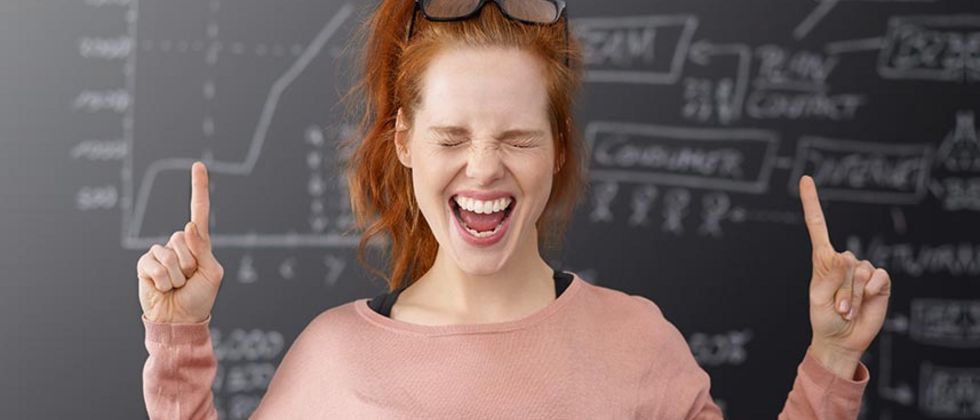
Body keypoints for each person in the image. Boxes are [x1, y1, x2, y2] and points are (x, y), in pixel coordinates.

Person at [137, 0, 893, 418]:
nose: (484, 169)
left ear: (558, 148)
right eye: (452, 136)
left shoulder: (637, 341)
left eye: (518, 138)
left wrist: (831, 360)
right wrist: (179, 343)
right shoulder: (332, 362)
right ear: (404, 141)